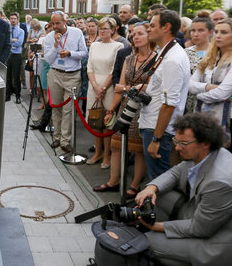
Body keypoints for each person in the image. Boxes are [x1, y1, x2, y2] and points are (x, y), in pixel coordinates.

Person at [135, 112, 232, 266]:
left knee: (149, 241)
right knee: (156, 196)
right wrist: (151, 188)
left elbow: (200, 228)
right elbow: (175, 173)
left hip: (227, 245)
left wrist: (155, 226)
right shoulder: (209, 154)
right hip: (210, 222)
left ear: (205, 142)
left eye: (183, 144)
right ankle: (177, 248)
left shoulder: (222, 181)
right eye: (176, 142)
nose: (177, 148)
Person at [95, 23, 152, 196]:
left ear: (150, 36)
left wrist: (126, 88)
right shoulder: (129, 59)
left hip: (144, 108)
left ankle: (134, 185)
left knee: (138, 149)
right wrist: (111, 110)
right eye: (133, 34)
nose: (135, 37)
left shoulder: (156, 59)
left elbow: (149, 87)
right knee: (115, 145)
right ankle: (113, 181)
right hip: (125, 106)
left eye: (140, 33)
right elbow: (119, 87)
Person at [188, 18, 232, 149]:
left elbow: (221, 94)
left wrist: (198, 95)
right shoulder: (210, 57)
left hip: (230, 118)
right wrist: (208, 87)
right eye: (217, 32)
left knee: (218, 162)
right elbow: (189, 85)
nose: (218, 36)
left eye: (224, 32)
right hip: (204, 116)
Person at [139, 10, 190, 180]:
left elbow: (169, 104)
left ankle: (159, 208)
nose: (149, 30)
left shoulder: (173, 59)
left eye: (152, 26)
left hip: (158, 128)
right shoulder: (167, 51)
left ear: (166, 27)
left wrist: (156, 139)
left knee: (159, 180)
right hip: (153, 123)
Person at [44, 12, 88, 153]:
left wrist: (70, 53)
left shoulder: (76, 33)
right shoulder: (49, 37)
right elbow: (48, 60)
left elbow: (84, 53)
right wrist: (56, 45)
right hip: (55, 73)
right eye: (52, 23)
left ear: (65, 21)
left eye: (58, 23)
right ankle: (56, 137)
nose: (55, 26)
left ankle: (65, 140)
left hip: (72, 75)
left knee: (68, 110)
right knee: (56, 107)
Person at [85, 17, 123, 167]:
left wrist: (103, 88)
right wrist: (94, 85)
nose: (103, 31)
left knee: (107, 124)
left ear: (113, 30)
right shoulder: (94, 45)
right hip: (93, 86)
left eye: (106, 29)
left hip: (109, 88)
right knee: (95, 122)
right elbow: (89, 68)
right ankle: (97, 153)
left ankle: (107, 155)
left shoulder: (118, 46)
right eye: (101, 29)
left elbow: (114, 70)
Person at [184, 16, 213, 114]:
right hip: (186, 105)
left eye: (201, 30)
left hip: (208, 105)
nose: (196, 34)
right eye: (193, 30)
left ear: (210, 32)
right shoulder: (185, 53)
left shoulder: (216, 53)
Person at [5, 12, 25, 103]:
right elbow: (5, 42)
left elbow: (19, 43)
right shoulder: (6, 30)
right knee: (8, 76)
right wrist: (13, 40)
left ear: (17, 20)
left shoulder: (21, 31)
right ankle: (7, 95)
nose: (12, 20)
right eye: (11, 18)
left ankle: (18, 95)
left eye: (14, 19)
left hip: (17, 55)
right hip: (8, 55)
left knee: (16, 76)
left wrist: (11, 42)